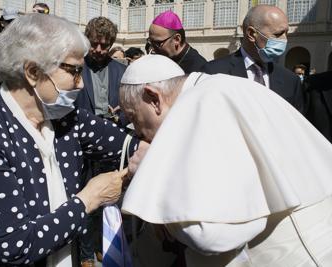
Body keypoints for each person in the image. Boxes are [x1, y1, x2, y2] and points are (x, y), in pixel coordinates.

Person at [0, 14, 142, 267]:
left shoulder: (66, 118)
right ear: (32, 72)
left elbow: (126, 144)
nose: (81, 83)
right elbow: (14, 245)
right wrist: (89, 199)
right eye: (74, 71)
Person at [119, 55, 332, 267]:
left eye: (134, 118)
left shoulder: (203, 104)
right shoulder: (220, 87)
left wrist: (151, 171)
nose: (138, 132)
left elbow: (214, 236)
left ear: (153, 98)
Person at [74, 16, 129, 266]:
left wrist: (123, 113)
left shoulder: (122, 70)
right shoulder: (75, 66)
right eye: (94, 44)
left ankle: (102, 246)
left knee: (110, 199)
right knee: (86, 200)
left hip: (113, 145)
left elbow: (132, 105)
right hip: (82, 146)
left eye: (104, 46)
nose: (98, 50)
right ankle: (85, 253)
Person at [202, 5, 304, 113]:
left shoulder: (291, 81)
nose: (284, 40)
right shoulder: (213, 73)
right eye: (278, 34)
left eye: (286, 33)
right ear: (251, 34)